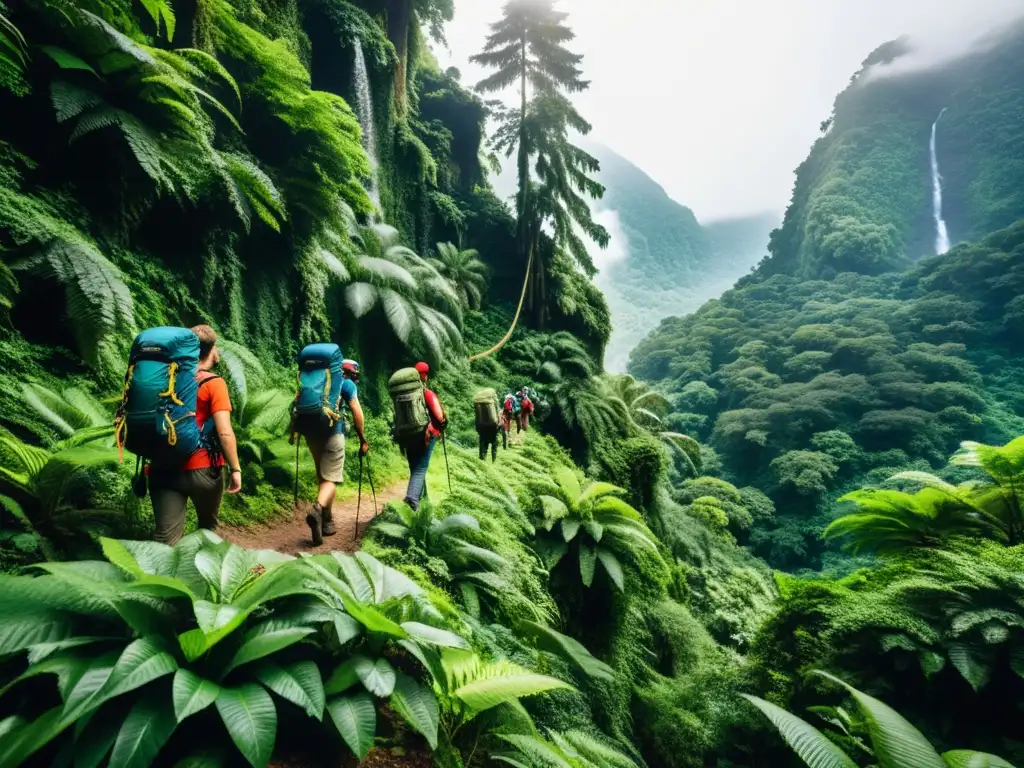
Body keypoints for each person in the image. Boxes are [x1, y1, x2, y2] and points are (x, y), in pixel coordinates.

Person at [149, 325, 241, 545]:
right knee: (206, 530)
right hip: (202, 470)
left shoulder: (165, 378)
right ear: (212, 350)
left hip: (162, 467)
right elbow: (224, 432)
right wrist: (235, 468)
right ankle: (201, 573)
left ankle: (160, 575)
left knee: (165, 539)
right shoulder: (214, 383)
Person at [293, 356, 369, 545]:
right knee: (331, 479)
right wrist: (362, 439)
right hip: (334, 434)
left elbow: (296, 403)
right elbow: (357, 412)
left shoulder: (315, 380)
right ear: (351, 373)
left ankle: (327, 522)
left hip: (312, 434)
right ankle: (317, 509)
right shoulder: (347, 385)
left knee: (323, 478)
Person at [401, 361, 446, 510]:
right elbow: (439, 417)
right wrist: (443, 423)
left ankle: (423, 502)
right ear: (424, 375)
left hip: (407, 436)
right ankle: (412, 501)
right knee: (420, 469)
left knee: (415, 467)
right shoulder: (426, 393)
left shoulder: (403, 395)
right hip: (426, 436)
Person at [474, 387, 504, 462]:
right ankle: (494, 460)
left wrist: (477, 427)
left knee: (483, 442)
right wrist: (499, 423)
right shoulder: (493, 401)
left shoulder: (478, 402)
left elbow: (476, 416)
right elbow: (497, 411)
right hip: (492, 426)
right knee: (494, 442)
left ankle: (482, 459)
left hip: (481, 426)